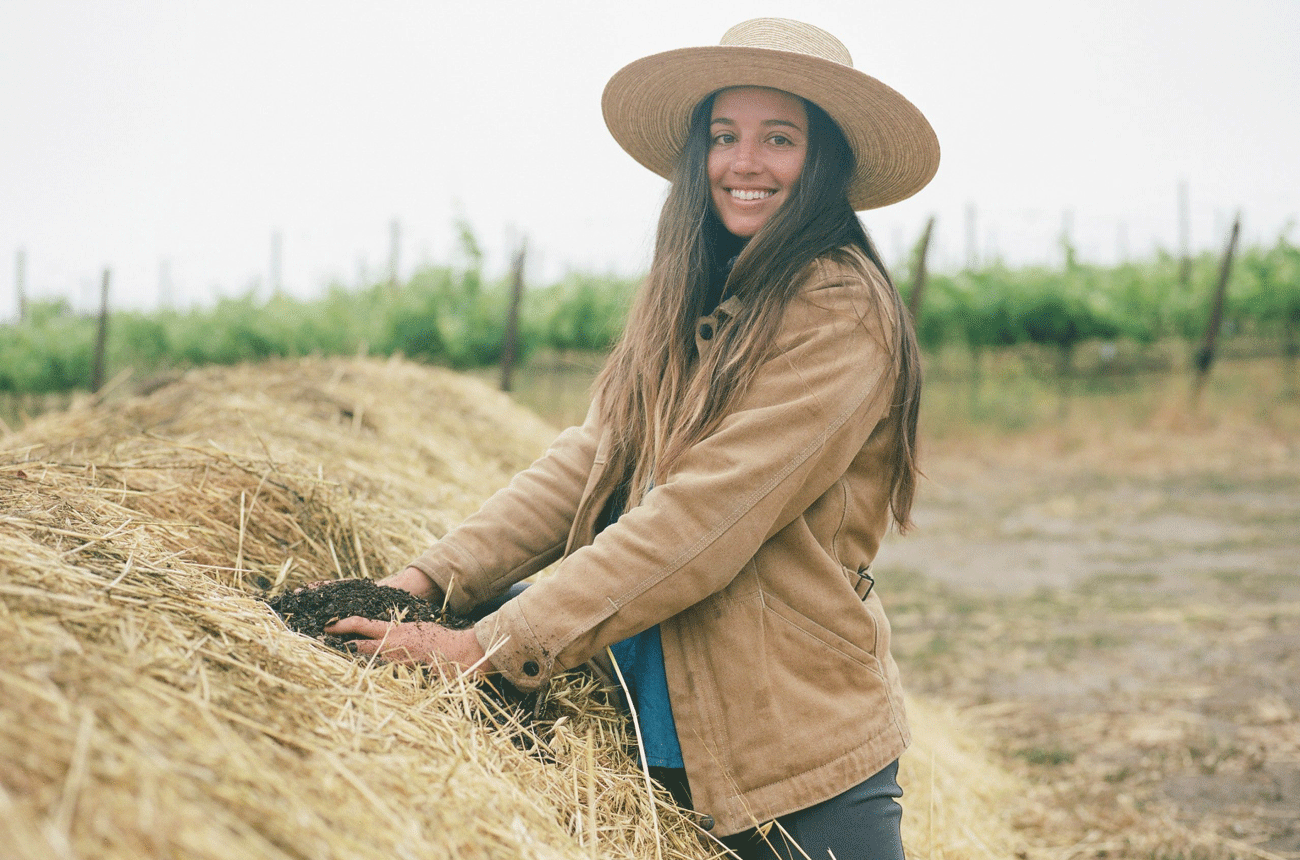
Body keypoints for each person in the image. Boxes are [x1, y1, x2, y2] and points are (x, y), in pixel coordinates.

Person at [326, 17, 939, 860]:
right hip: (658, 721)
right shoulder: (697, 288)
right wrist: (429, 579)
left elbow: (705, 518)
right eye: (724, 136)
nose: (743, 162)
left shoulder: (840, 310)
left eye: (778, 139)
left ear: (823, 160)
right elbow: (593, 456)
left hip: (788, 744)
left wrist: (482, 647)